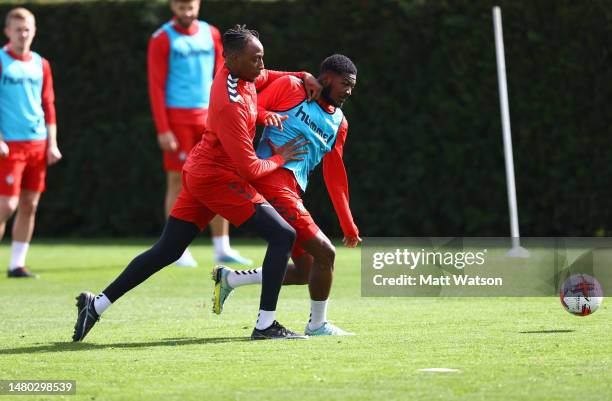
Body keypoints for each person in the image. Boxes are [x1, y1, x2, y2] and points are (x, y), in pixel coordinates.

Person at [73, 25, 323, 342]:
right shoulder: (229, 102)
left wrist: (301, 75)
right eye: (255, 59)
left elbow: (266, 76)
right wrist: (281, 157)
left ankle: (96, 305)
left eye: (261, 57)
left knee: (167, 249)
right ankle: (265, 326)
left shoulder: (240, 73)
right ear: (231, 59)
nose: (261, 65)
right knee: (282, 235)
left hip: (201, 170)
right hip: (217, 178)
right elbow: (249, 168)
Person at [211, 54, 361, 336]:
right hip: (270, 181)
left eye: (353, 86)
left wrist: (348, 222)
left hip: (292, 192)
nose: (349, 91)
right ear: (327, 79)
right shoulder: (293, 88)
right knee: (325, 253)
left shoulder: (339, 122)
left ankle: (230, 278)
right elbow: (248, 107)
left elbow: (335, 175)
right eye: (346, 84)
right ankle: (317, 325)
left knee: (304, 272)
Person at [148, 0, 251, 267]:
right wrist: (163, 128)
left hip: (209, 117)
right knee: (177, 181)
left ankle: (222, 247)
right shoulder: (161, 38)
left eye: (191, 5)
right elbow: (156, 86)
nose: (187, 11)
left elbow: (225, 74)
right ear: (173, 6)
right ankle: (177, 249)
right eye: (181, 6)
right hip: (177, 118)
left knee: (221, 175)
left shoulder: (212, 33)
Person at [0, 8, 62, 278]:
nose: (22, 34)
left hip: (37, 143)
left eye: (27, 29)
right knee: (7, 206)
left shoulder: (41, 63)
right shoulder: (1, 60)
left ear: (34, 31)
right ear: (7, 32)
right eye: (17, 29)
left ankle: (17, 264)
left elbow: (48, 104)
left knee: (30, 204)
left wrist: (52, 143)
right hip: (9, 145)